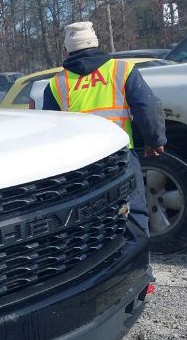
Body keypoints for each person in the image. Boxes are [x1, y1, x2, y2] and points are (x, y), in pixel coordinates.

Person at [43, 21, 166, 233]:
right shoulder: (121, 69)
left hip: (79, 165)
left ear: (67, 49)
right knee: (133, 213)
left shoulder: (56, 83)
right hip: (120, 156)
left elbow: (50, 130)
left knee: (89, 219)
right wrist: (154, 140)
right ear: (96, 41)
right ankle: (136, 265)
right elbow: (147, 106)